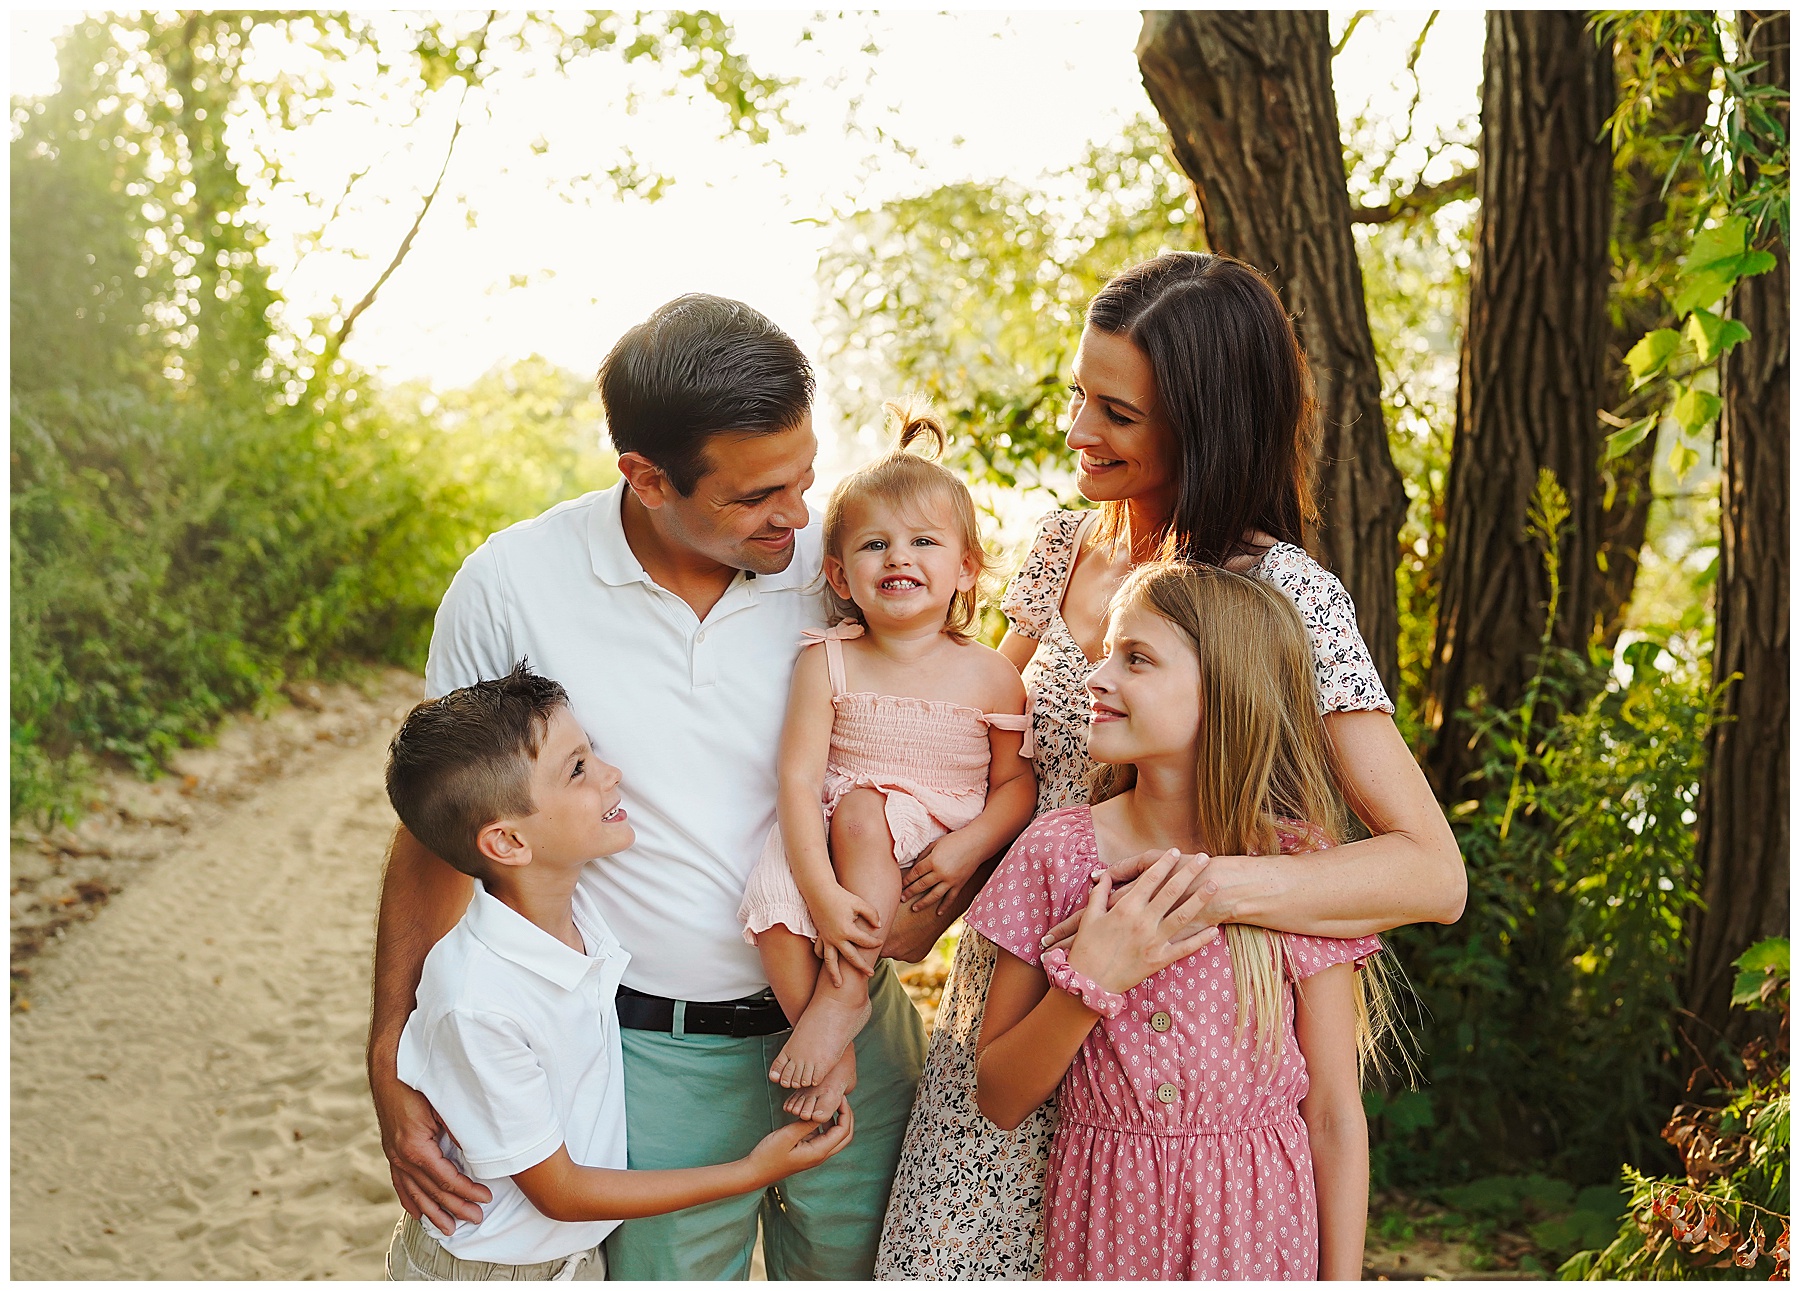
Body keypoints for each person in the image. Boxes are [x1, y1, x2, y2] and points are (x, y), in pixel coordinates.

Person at [874, 251, 1464, 1278]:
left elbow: (1431, 875)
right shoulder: (1059, 548)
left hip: (1191, 1035)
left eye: (1116, 412)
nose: (1076, 433)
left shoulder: (1285, 593)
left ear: (1204, 419)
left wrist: (1179, 898)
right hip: (1025, 1003)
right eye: (1077, 395)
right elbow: (976, 749)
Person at [368, 295, 932, 1281]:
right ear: (645, 476)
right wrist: (391, 1044)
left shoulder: (840, 560)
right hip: (646, 1062)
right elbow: (438, 832)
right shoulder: (513, 586)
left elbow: (946, 721)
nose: (795, 517)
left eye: (802, 477)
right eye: (756, 496)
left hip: (858, 1033)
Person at [970, 563, 1397, 1279]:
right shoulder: (1056, 851)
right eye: (1106, 652)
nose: (1096, 677)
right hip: (1105, 1227)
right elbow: (999, 1096)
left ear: (1224, 690)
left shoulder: (1300, 866)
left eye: (1134, 658)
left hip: (1262, 1231)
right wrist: (1088, 984)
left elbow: (1332, 1112)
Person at [380, 663, 853, 1280]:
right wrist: (752, 1173)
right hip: (499, 1270)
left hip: (569, 1259)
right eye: (578, 769)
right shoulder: (479, 1000)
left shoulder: (575, 913)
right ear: (508, 844)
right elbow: (562, 1192)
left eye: (593, 752)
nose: (612, 775)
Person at [739, 406, 1037, 1123]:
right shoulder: (828, 659)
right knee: (770, 904)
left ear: (966, 567)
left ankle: (843, 993)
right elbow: (800, 779)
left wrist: (968, 846)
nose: (899, 557)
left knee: (869, 808)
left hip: (932, 825)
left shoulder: (992, 675)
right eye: (875, 544)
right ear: (840, 575)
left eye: (923, 541)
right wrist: (816, 883)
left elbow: (1016, 784)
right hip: (834, 827)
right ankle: (832, 1035)